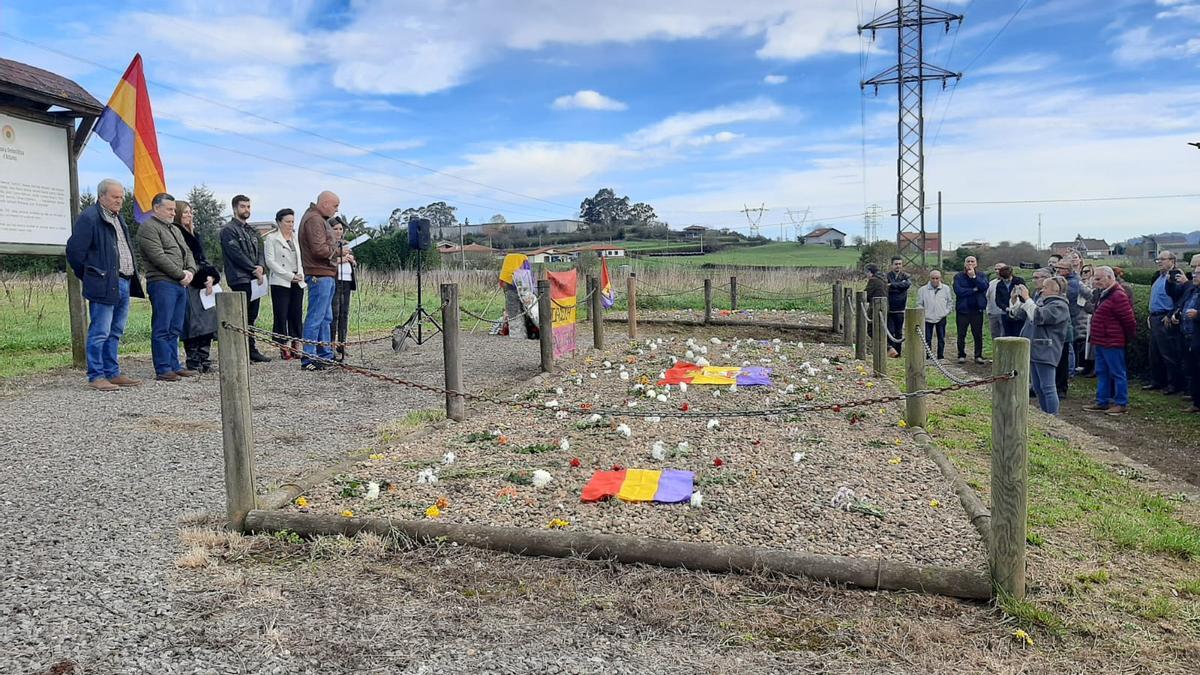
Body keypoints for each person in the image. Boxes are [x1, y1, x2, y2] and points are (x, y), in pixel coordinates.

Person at [65, 178, 146, 391]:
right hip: (104, 283)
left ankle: (113, 373)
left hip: (124, 282)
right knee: (100, 330)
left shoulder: (118, 219)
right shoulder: (90, 217)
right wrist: (92, 275)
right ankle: (96, 375)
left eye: (121, 197)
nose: (119, 201)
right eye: (115, 197)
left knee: (116, 330)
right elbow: (75, 252)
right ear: (102, 196)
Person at [136, 192, 197, 382]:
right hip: (162, 283)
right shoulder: (148, 228)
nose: (173, 213)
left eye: (174, 209)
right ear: (156, 208)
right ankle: (163, 368)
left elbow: (187, 252)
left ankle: (174, 365)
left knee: (175, 327)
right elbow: (158, 257)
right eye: (169, 209)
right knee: (163, 326)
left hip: (180, 284)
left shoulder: (175, 229)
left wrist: (190, 271)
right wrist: (181, 274)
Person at [220, 194, 271, 363]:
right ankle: (240, 351)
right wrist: (252, 268)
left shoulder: (251, 230)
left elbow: (261, 252)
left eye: (248, 206)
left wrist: (261, 267)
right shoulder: (228, 230)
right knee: (240, 317)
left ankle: (251, 349)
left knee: (251, 316)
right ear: (235, 208)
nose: (246, 210)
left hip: (255, 279)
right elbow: (236, 254)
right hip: (240, 278)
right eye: (243, 206)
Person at [1011, 275, 1071, 415]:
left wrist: (1027, 299)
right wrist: (1015, 301)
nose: (1042, 290)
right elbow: (1021, 314)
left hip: (1046, 350)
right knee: (1038, 387)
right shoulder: (1042, 301)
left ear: (1055, 291)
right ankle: (1046, 414)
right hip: (1034, 349)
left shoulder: (1060, 306)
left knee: (1048, 387)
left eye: (1045, 288)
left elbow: (1039, 316)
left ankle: (1053, 417)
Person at [173, 200, 221, 373]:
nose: (189, 215)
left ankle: (204, 357)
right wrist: (201, 277)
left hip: (201, 281)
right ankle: (193, 359)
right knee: (193, 323)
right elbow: (186, 260)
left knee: (208, 320)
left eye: (190, 212)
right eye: (185, 212)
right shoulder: (176, 233)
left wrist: (211, 276)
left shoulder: (195, 233)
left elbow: (202, 258)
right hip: (190, 281)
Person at [1084, 266, 1136, 415]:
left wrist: (1126, 338)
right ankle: (1102, 401)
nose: (1096, 281)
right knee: (1102, 371)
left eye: (1099, 279)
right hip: (1101, 340)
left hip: (1112, 341)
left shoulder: (1118, 295)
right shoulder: (1105, 293)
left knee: (1117, 372)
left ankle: (1121, 403)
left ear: (1109, 277)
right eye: (1095, 278)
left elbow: (1129, 320)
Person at [299, 190, 341, 371]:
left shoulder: (317, 218)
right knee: (316, 316)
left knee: (325, 317)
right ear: (324, 203)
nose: (336, 210)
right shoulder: (314, 220)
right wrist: (339, 251)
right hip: (319, 274)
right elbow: (319, 250)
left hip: (326, 274)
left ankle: (325, 355)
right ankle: (309, 357)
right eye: (335, 206)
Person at [1144, 250, 1188, 393]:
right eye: (1158, 260)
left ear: (1172, 261)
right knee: (1154, 352)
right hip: (1154, 316)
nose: (1159, 262)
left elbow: (1180, 298)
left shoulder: (1175, 276)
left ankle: (1174, 384)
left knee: (1168, 353)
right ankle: (1157, 381)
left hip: (1165, 317)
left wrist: (1170, 314)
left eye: (1162, 259)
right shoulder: (1157, 276)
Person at [264, 208, 305, 360]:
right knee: (281, 313)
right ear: (279, 222)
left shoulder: (295, 238)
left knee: (296, 313)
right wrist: (288, 276)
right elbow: (270, 262)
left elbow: (300, 258)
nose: (290, 224)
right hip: (281, 281)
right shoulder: (272, 239)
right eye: (287, 222)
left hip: (297, 280)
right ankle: (283, 344)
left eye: (292, 221)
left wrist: (300, 274)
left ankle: (296, 342)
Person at [329, 218, 358, 361]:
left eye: (341, 229)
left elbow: (353, 260)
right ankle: (331, 345)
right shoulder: (329, 245)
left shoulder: (347, 245)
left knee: (344, 313)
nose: (339, 232)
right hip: (335, 279)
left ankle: (342, 343)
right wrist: (341, 259)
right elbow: (328, 261)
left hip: (347, 280)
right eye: (336, 229)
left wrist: (352, 261)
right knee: (335, 313)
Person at [952, 255, 989, 364]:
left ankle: (978, 355)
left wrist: (974, 277)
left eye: (972, 261)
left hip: (977, 310)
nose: (970, 263)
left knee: (977, 334)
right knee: (961, 334)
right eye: (968, 261)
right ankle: (961, 355)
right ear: (964, 263)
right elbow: (959, 291)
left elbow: (983, 287)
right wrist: (974, 290)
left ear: (976, 264)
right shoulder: (958, 276)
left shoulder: (981, 275)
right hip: (963, 310)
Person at [917, 269, 953, 360]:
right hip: (927, 318)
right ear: (930, 278)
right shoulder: (922, 290)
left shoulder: (946, 289)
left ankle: (940, 356)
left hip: (941, 317)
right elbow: (919, 304)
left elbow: (950, 302)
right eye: (933, 278)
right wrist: (923, 314)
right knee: (927, 339)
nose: (935, 280)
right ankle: (928, 356)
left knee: (941, 338)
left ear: (940, 278)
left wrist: (945, 312)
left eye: (937, 278)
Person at [1179, 268, 1200, 413]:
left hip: (1197, 337)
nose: (1194, 276)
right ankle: (1196, 401)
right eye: (1194, 273)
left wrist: (1198, 314)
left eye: (1198, 273)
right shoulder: (1193, 290)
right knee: (1192, 370)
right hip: (1187, 336)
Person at [986, 263, 1025, 339]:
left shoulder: (1019, 281)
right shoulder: (999, 284)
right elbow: (998, 300)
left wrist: (1016, 306)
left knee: (1018, 335)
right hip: (1005, 314)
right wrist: (1006, 308)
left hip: (1019, 313)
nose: (1006, 280)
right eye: (1004, 279)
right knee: (1007, 335)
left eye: (1007, 278)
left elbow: (1024, 296)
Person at [885, 256, 910, 357]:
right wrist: (899, 286)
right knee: (890, 331)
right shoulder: (887, 276)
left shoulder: (905, 276)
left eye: (900, 264)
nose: (898, 266)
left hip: (900, 308)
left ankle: (898, 353)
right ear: (892, 265)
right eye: (896, 264)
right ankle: (891, 352)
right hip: (890, 308)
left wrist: (892, 285)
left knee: (899, 332)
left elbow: (906, 285)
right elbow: (886, 287)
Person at [864, 263, 887, 341]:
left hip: (875, 307)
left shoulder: (873, 281)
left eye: (866, 272)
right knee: (881, 329)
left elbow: (866, 295)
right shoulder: (883, 279)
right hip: (885, 306)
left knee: (871, 330)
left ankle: (887, 348)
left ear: (870, 272)